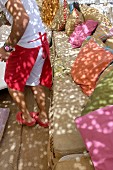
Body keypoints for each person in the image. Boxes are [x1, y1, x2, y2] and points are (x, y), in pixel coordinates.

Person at [0, 0, 52, 127]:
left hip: (26, 47)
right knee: (35, 81)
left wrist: (7, 48)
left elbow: (22, 19)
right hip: (40, 41)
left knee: (12, 83)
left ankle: (27, 117)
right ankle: (44, 116)